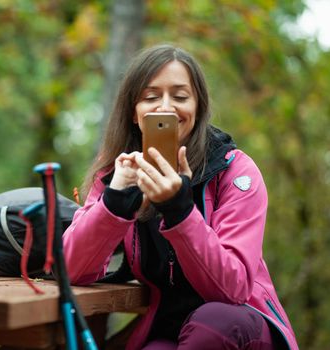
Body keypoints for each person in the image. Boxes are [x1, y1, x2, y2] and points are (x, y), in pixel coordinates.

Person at [62, 44, 298, 350]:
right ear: (133, 112)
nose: (165, 106)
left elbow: (233, 290)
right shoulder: (118, 173)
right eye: (150, 97)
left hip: (242, 325)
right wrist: (114, 203)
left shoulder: (235, 171)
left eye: (180, 96)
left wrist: (179, 210)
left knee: (214, 323)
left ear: (197, 107)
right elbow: (72, 270)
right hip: (171, 330)